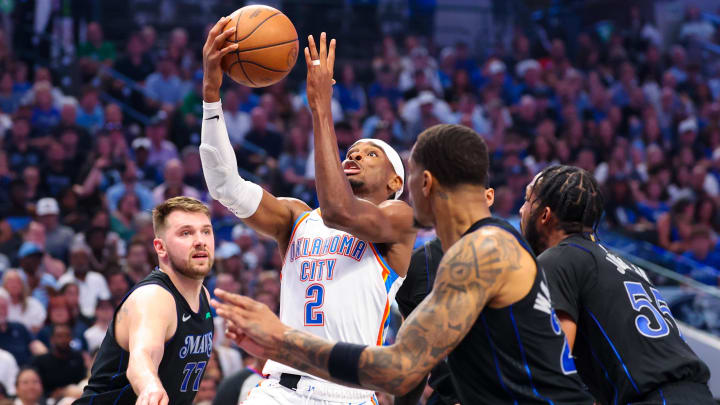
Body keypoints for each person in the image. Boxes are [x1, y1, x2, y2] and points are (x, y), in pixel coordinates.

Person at [212, 124, 593, 404]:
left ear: (422, 183)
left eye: (410, 179)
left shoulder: (483, 252)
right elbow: (413, 366)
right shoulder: (476, 250)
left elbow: (400, 368)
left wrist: (280, 339)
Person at [200, 26, 415, 405]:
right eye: (351, 151)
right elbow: (224, 187)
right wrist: (211, 96)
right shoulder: (297, 218)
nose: (355, 155)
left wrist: (320, 106)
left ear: (395, 180)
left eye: (370, 153)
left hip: (349, 395)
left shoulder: (397, 219)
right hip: (280, 389)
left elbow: (339, 211)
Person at [518, 165, 714, 404]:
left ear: (545, 215)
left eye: (527, 200)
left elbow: (555, 364)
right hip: (697, 394)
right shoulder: (628, 266)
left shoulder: (557, 259)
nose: (521, 210)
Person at [73, 197, 215, 405]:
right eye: (186, 233)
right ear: (160, 247)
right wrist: (150, 386)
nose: (200, 240)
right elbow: (142, 356)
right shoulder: (153, 297)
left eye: (206, 231)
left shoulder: (203, 295)